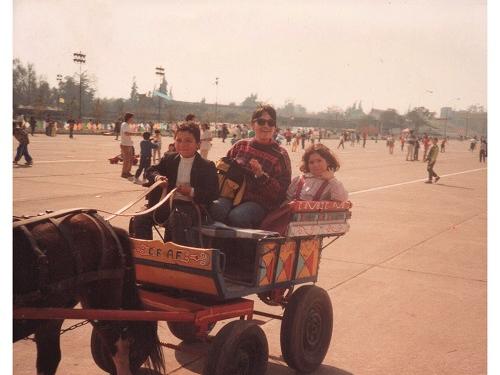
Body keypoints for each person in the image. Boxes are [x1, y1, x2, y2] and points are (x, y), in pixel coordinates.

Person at [133, 122, 219, 241]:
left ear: (198, 144)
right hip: (165, 205)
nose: (183, 144)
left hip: (190, 208)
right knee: (139, 218)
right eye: (178, 140)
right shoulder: (169, 159)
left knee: (176, 218)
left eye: (188, 141)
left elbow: (213, 193)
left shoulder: (207, 166)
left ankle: (172, 256)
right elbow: (150, 170)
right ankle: (145, 254)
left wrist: (191, 191)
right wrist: (158, 178)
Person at [210, 104, 292, 228]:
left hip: (258, 203)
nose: (266, 126)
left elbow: (282, 191)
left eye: (270, 123)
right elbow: (224, 171)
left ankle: (245, 247)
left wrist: (261, 176)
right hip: (232, 195)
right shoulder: (240, 145)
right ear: (252, 124)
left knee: (237, 217)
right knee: (215, 209)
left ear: (275, 127)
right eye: (261, 122)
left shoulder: (281, 155)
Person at [120, 112, 135, 179]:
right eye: (132, 118)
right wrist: (135, 134)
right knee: (126, 160)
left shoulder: (128, 125)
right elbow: (126, 133)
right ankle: (124, 173)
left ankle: (127, 172)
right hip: (125, 144)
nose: (132, 119)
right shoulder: (124, 124)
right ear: (129, 118)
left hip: (129, 144)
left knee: (130, 159)